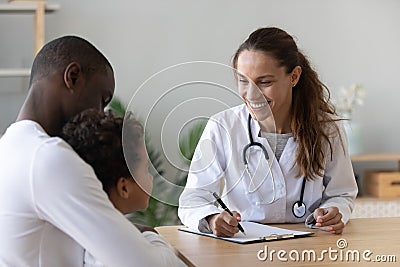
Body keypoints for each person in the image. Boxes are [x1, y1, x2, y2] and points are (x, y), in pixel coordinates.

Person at [0, 36, 178, 266]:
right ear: (73, 77)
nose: (101, 113)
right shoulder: (48, 158)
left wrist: (121, 229)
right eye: (102, 100)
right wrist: (154, 237)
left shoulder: (10, 147)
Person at [178, 27, 358, 237]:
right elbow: (193, 198)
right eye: (243, 81)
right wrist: (211, 218)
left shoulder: (328, 128)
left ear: (294, 77)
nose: (251, 94)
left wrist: (335, 211)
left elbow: (342, 193)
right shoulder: (223, 126)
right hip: (244, 247)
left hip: (309, 247)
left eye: (264, 82)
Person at [61, 109, 173, 266]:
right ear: (124, 188)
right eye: (146, 168)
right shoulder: (119, 251)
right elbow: (167, 263)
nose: (151, 176)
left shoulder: (89, 236)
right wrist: (152, 235)